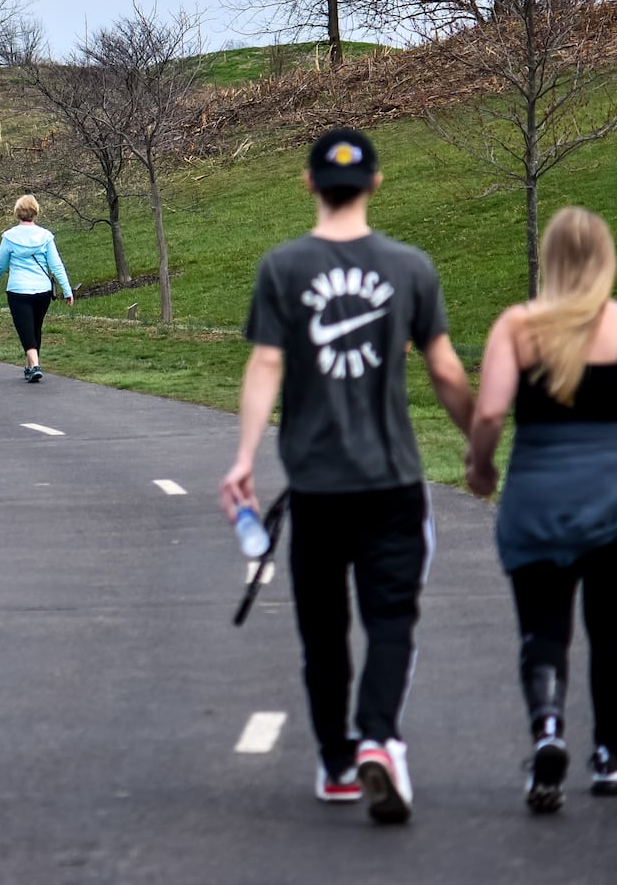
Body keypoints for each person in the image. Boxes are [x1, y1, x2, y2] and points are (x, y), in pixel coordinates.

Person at [218, 128, 475, 825]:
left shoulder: (282, 267)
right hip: (391, 480)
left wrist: (244, 458)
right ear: (375, 182)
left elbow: (265, 364)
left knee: (323, 628)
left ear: (307, 183)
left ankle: (336, 762)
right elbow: (446, 370)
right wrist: (479, 446)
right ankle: (379, 739)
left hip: (316, 486)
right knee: (390, 617)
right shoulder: (410, 267)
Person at [465, 206, 617, 813]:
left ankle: (547, 730)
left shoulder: (517, 329)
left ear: (549, 259)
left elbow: (490, 413)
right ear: (605, 261)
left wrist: (481, 466)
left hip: (539, 497)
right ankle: (610, 757)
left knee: (543, 628)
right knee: (612, 629)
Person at [0, 194, 72, 383]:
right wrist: (67, 290)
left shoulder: (9, 237)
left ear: (18, 212)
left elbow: (0, 264)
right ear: (35, 211)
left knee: (25, 329)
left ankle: (34, 365)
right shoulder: (45, 236)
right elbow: (56, 266)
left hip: (18, 290)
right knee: (34, 328)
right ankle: (29, 366)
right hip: (42, 290)